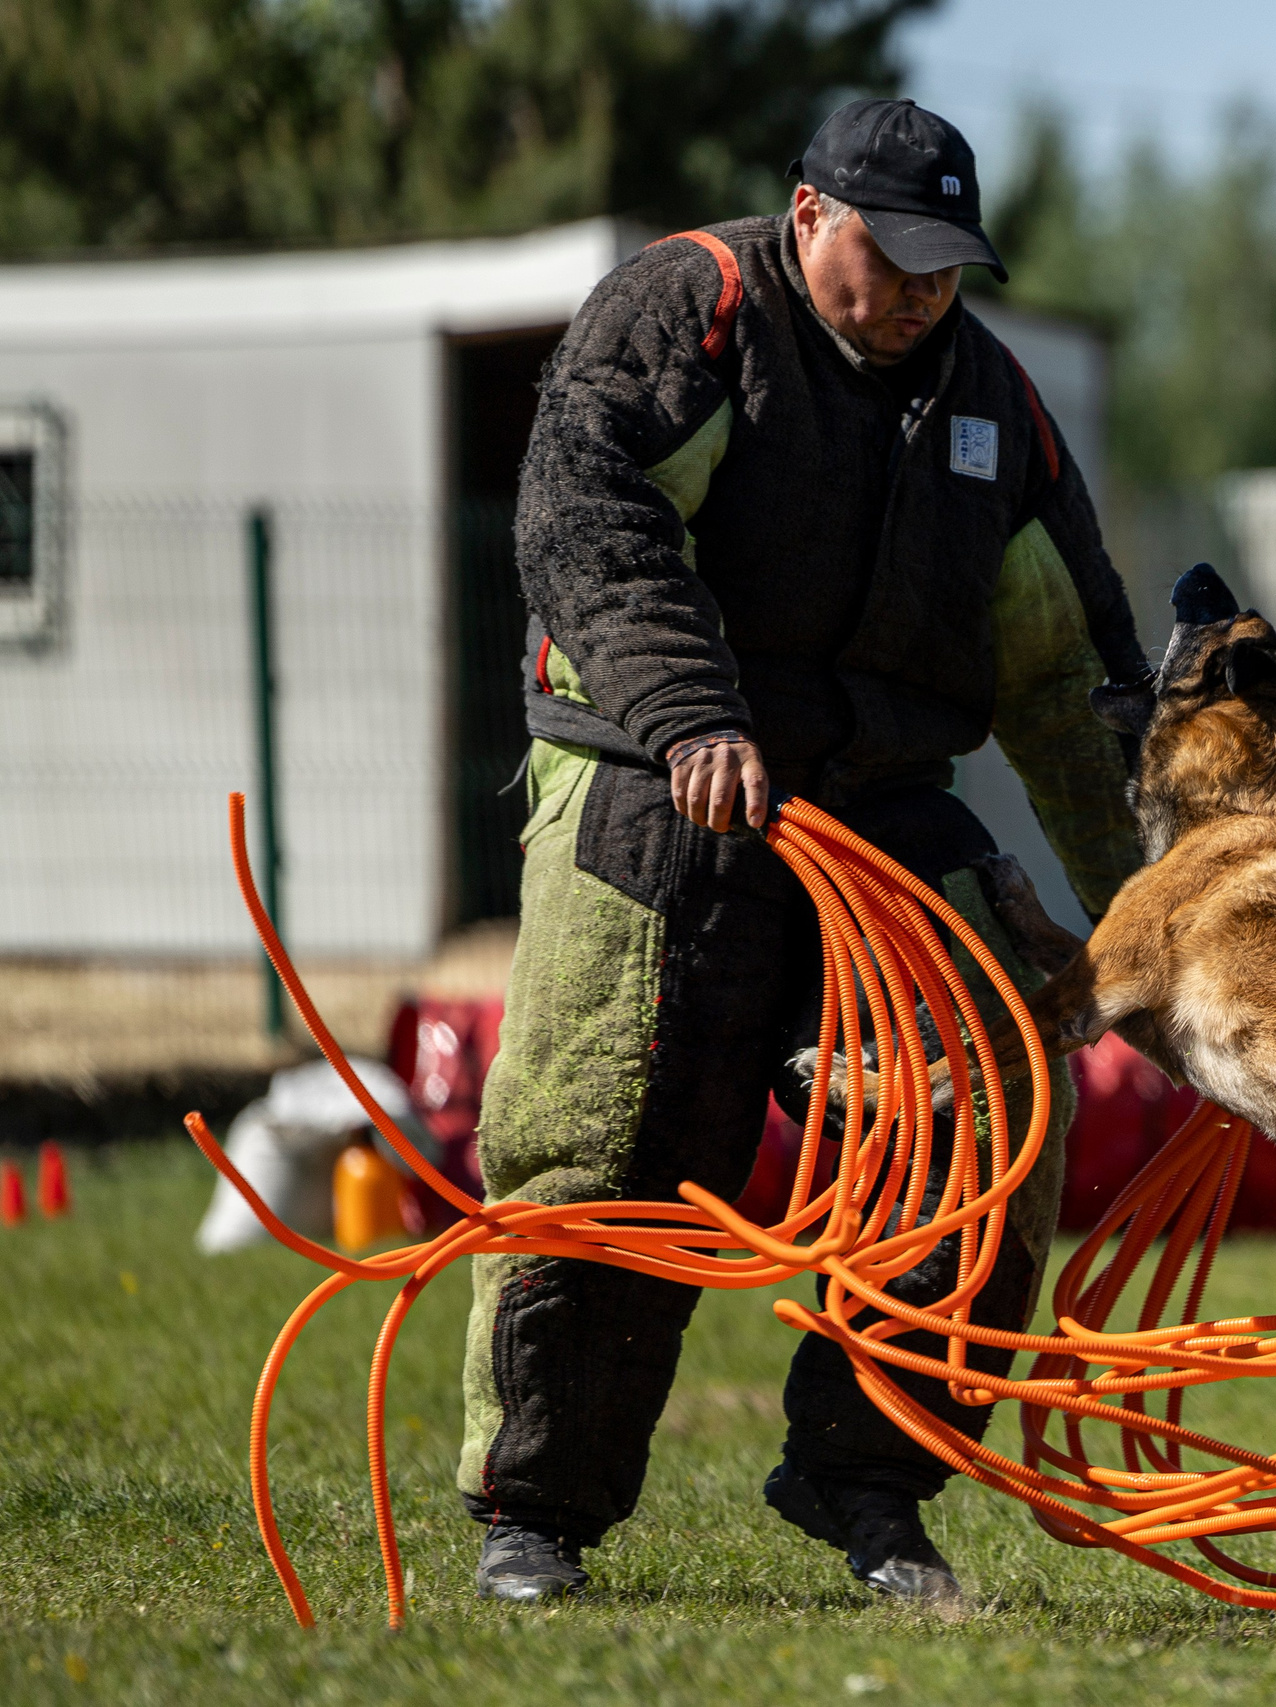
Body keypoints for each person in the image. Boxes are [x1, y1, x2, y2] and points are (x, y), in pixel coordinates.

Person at [462, 96, 1147, 1610]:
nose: (920, 292)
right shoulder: (688, 310)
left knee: (987, 1113)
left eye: (945, 265)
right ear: (809, 212)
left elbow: (1070, 683)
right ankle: (536, 1511)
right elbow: (587, 519)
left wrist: (1162, 924)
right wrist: (693, 715)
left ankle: (872, 1486)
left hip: (885, 799)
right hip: (657, 776)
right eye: (891, 255)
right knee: (612, 1128)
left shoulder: (991, 403)